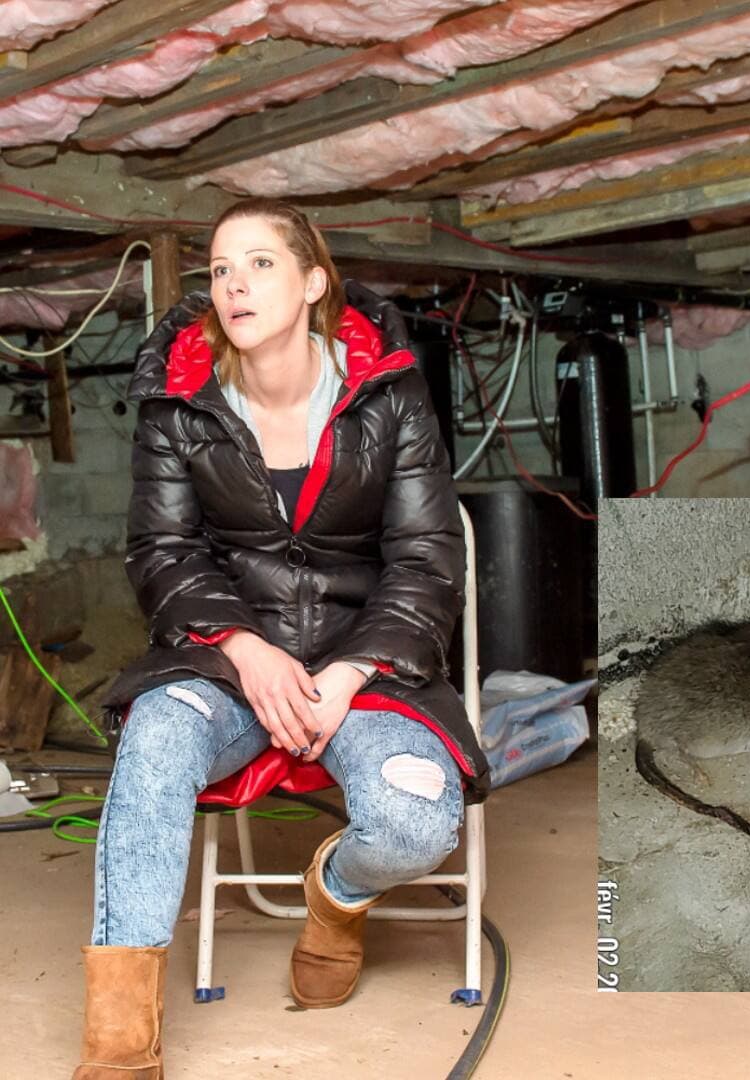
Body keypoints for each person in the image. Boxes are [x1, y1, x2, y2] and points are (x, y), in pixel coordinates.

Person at [73, 197, 489, 1079]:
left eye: (259, 264)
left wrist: (349, 671)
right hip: (229, 665)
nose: (232, 285)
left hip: (369, 664)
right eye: (220, 268)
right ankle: (119, 1047)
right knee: (153, 739)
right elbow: (163, 552)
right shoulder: (176, 403)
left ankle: (336, 899)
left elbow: (426, 557)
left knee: (417, 823)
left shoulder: (392, 391)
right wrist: (240, 645)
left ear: (311, 284)